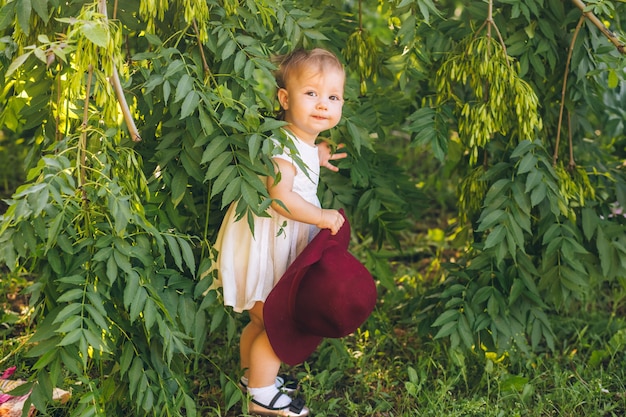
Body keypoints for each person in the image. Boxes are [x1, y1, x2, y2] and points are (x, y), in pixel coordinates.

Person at [213, 48, 348, 417]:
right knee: (278, 323)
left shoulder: (297, 141)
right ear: (285, 99)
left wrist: (316, 154)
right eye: (312, 94)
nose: (323, 104)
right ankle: (261, 396)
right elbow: (280, 200)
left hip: (272, 241)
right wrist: (321, 216)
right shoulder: (281, 150)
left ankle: (253, 379)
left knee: (261, 318)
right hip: (269, 242)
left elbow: (298, 159)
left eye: (333, 97)